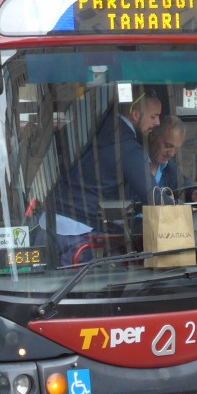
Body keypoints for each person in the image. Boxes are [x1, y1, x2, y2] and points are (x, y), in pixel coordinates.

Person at [42, 87, 163, 264]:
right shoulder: (129, 148)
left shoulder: (98, 129)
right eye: (154, 116)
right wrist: (187, 208)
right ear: (135, 115)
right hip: (79, 233)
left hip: (48, 223)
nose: (158, 122)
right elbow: (153, 197)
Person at [147, 115, 197, 206]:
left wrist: (194, 193)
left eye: (176, 149)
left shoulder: (169, 166)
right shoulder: (137, 164)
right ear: (153, 136)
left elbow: (185, 186)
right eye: (168, 146)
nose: (171, 154)